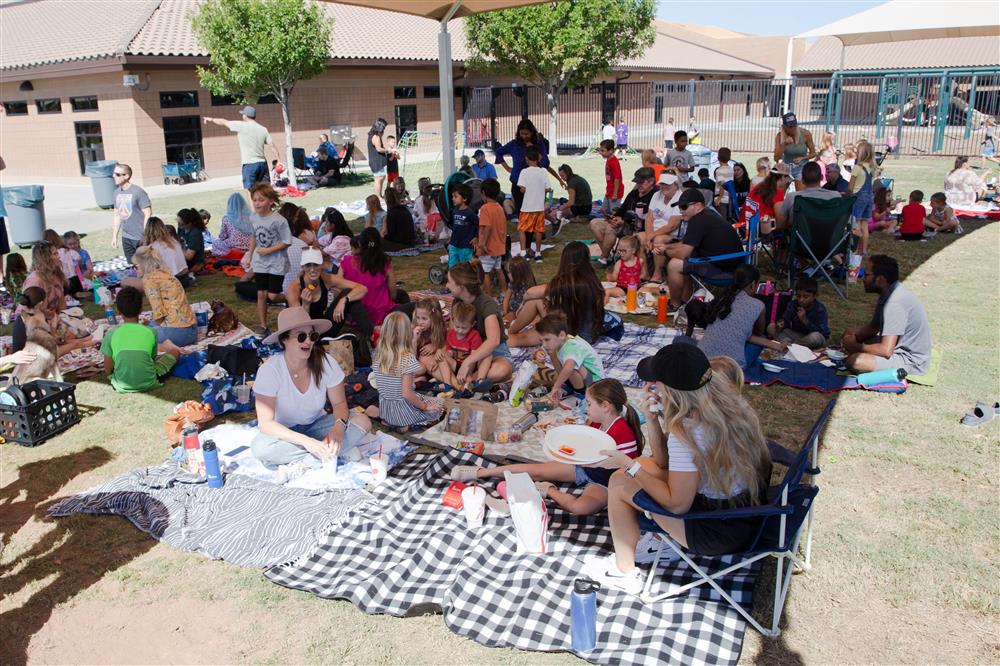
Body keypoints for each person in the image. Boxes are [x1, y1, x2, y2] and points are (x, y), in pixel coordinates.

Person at [582, 342, 771, 593]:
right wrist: (652, 419)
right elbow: (663, 463)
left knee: (619, 481)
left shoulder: (688, 430)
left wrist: (627, 465)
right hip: (744, 512)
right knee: (643, 464)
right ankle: (653, 542)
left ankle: (623, 571)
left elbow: (677, 504)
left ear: (670, 389)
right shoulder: (727, 405)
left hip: (715, 530)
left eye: (656, 382)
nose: (652, 387)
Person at [452, 378, 643, 515]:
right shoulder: (595, 423)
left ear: (606, 406)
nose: (586, 408)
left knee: (580, 508)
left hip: (605, 481)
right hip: (585, 468)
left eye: (590, 404)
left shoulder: (623, 434)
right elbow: (581, 445)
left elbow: (622, 471)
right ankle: (480, 472)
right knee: (535, 470)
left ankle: (546, 490)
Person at [251, 307, 373, 470]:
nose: (308, 341)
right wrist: (307, 442)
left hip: (317, 425)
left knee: (362, 421)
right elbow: (266, 424)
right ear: (284, 340)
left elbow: (339, 404)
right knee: (260, 448)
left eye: (312, 335)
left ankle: (308, 460)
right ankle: (335, 452)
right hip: (285, 434)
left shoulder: (325, 361)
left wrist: (338, 428)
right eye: (301, 336)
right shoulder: (270, 370)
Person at [842, 254, 932, 375]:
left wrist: (855, 347)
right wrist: (853, 337)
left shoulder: (894, 303)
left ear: (881, 280)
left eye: (867, 275)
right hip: (896, 348)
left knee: (856, 361)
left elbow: (885, 350)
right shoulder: (888, 292)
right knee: (849, 332)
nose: (862, 278)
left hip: (911, 361)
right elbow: (873, 327)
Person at [508, 241, 605, 346]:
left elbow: (530, 292)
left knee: (522, 336)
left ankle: (509, 333)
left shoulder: (567, 283)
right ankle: (510, 333)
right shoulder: (593, 280)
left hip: (572, 336)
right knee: (538, 302)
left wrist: (522, 303)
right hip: (588, 332)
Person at [663, 189, 745, 312]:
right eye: (680, 207)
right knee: (683, 262)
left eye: (684, 207)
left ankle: (675, 305)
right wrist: (665, 247)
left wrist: (664, 252)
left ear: (698, 206)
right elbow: (685, 244)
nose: (681, 210)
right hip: (731, 265)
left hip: (726, 270)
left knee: (675, 265)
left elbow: (683, 253)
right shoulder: (706, 216)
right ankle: (686, 302)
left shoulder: (698, 220)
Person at [698, 264, 787, 368]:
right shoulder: (758, 305)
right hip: (733, 367)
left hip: (703, 358)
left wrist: (776, 346)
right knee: (755, 346)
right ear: (753, 284)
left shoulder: (722, 300)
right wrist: (774, 344)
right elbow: (758, 333)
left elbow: (743, 334)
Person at [367, 312, 444, 428]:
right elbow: (407, 393)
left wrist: (414, 341)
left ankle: (387, 420)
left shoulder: (378, 354)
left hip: (386, 408)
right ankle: (404, 425)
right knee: (439, 406)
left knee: (422, 398)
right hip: (403, 410)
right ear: (406, 334)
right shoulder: (406, 359)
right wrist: (424, 406)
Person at [100, 286, 182, 393]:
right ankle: (169, 345)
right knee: (175, 351)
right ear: (141, 309)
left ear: (118, 310)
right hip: (149, 381)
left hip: (120, 383)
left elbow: (108, 368)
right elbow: (151, 360)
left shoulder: (111, 334)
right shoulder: (150, 332)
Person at [446, 262, 514, 383]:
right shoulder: (457, 302)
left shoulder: (487, 304)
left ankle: (469, 380)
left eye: (449, 282)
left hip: (492, 352)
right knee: (433, 360)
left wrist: (468, 361)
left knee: (500, 370)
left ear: (461, 286)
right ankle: (467, 379)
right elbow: (454, 333)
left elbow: (493, 341)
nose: (447, 285)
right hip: (466, 349)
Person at [286, 248, 371, 340]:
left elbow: (362, 289)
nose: (312, 270)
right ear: (303, 267)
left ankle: (373, 337)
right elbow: (299, 325)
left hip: (323, 329)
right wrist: (306, 305)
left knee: (347, 294)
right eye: (308, 266)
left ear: (322, 265)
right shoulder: (294, 288)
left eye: (316, 265)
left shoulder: (326, 279)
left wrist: (344, 300)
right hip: (303, 336)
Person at [241, 183, 290, 335]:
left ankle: (291, 298)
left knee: (273, 295)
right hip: (260, 262)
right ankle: (263, 325)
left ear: (270, 201)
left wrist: (268, 250)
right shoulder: (253, 217)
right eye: (254, 200)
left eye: (261, 200)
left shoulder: (279, 220)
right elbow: (254, 236)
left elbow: (287, 241)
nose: (257, 203)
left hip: (276, 262)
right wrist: (250, 254)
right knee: (261, 294)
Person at [531, 311, 604, 404]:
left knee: (570, 367)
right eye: (541, 341)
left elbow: (568, 368)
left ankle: (580, 394)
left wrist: (556, 386)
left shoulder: (571, 346)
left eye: (546, 340)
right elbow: (539, 350)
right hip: (583, 378)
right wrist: (538, 353)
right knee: (553, 353)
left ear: (561, 335)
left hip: (594, 382)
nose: (544, 344)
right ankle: (568, 386)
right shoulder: (560, 341)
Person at [132, 246, 198, 347]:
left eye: (135, 266)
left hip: (178, 333)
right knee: (148, 325)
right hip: (192, 330)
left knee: (138, 334)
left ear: (143, 265)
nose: (134, 270)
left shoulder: (149, 280)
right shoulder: (164, 273)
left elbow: (159, 314)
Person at [590, 166, 656, 266]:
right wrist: (614, 217)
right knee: (594, 223)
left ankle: (604, 258)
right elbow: (621, 210)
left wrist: (622, 221)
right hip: (625, 225)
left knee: (610, 228)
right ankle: (607, 255)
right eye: (637, 182)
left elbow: (647, 221)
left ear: (651, 181)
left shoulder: (654, 197)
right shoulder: (634, 194)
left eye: (641, 182)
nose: (638, 185)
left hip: (640, 229)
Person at [205, 106, 277, 190]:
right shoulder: (263, 129)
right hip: (263, 164)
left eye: (243, 114)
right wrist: (278, 161)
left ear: (245, 116)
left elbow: (224, 122)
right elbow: (272, 146)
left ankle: (252, 203)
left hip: (249, 165)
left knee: (250, 191)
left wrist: (211, 119)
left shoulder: (241, 125)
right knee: (265, 190)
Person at [10, 286, 93, 358]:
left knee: (66, 342)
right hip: (34, 356)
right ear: (41, 303)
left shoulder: (24, 316)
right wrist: (54, 325)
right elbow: (50, 343)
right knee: (73, 345)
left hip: (31, 351)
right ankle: (96, 341)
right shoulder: (35, 319)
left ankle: (88, 339)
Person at [339, 228, 399, 326]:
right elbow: (393, 295)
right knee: (403, 296)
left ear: (360, 245)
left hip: (355, 315)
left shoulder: (346, 261)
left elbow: (338, 288)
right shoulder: (384, 262)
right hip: (380, 315)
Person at [495, 119, 550, 216]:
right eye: (522, 133)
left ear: (532, 133)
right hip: (518, 183)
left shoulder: (539, 144)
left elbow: (546, 163)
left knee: (534, 210)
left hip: (535, 183)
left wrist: (535, 151)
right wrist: (507, 168)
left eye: (527, 134)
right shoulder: (514, 144)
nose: (524, 136)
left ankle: (534, 228)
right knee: (522, 210)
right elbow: (499, 152)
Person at [766, 276, 829, 350]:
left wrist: (805, 320)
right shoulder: (793, 304)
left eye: (805, 297)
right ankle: (792, 345)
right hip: (796, 335)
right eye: (798, 296)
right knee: (771, 327)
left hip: (810, 336)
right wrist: (781, 324)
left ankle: (790, 345)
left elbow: (823, 333)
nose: (801, 300)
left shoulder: (820, 309)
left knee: (815, 337)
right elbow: (785, 319)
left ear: (815, 296)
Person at [775, 162, 842, 231]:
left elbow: (780, 224)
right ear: (821, 177)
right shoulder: (836, 196)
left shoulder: (792, 197)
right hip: (830, 239)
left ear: (802, 180)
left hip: (800, 240)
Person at [111, 163, 151, 264]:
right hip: (126, 237)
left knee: (146, 266)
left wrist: (145, 235)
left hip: (140, 237)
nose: (113, 176)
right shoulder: (116, 193)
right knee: (133, 266)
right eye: (114, 173)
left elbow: (148, 214)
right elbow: (117, 215)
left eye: (117, 174)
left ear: (126, 176)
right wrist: (114, 236)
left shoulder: (138, 192)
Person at [444, 301, 491, 385]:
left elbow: (473, 358)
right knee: (440, 354)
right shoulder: (450, 334)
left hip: (469, 367)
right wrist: (446, 354)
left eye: (464, 328)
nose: (460, 331)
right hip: (456, 366)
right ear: (453, 320)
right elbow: (449, 353)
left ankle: (479, 380)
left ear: (472, 324)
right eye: (457, 326)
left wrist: (468, 373)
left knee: (488, 355)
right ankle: (448, 381)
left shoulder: (474, 335)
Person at [517, 146, 549, 262]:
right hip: (539, 207)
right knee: (539, 230)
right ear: (538, 158)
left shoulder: (524, 172)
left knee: (522, 229)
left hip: (527, 207)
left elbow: (522, 188)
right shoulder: (543, 171)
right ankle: (538, 253)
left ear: (526, 158)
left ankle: (523, 252)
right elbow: (548, 188)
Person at [477, 178, 508, 295]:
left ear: (483, 193)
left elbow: (487, 226)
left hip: (488, 247)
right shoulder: (499, 207)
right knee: (499, 269)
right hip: (498, 246)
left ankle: (489, 297)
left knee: (485, 273)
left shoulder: (485, 208)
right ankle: (504, 292)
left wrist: (482, 243)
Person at [848, 140, 879, 255]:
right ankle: (864, 249)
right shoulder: (872, 168)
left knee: (856, 224)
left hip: (858, 197)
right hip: (869, 197)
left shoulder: (857, 167)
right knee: (864, 224)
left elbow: (851, 187)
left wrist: (846, 195)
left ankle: (855, 249)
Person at [410, 298, 451, 384]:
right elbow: (410, 358)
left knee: (424, 377)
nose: (420, 322)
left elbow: (445, 345)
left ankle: (449, 384)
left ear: (434, 318)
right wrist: (414, 340)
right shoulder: (412, 330)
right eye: (418, 318)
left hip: (425, 363)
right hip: (410, 362)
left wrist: (434, 346)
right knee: (422, 368)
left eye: (424, 319)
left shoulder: (439, 329)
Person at [142, 216, 189, 286]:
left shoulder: (152, 247)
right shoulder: (173, 241)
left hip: (171, 281)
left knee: (126, 281)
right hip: (185, 278)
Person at [24, 241, 65, 318]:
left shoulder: (56, 274)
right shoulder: (34, 280)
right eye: (55, 254)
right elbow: (30, 312)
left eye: (57, 253)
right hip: (34, 323)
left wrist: (65, 318)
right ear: (45, 258)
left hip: (52, 319)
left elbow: (62, 303)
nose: (59, 257)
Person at [773, 112, 816, 187]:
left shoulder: (806, 134)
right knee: (779, 192)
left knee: (800, 193)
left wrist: (803, 158)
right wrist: (784, 145)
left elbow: (813, 153)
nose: (792, 128)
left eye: (794, 125)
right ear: (784, 127)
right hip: (786, 166)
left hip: (801, 166)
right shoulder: (779, 136)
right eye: (790, 126)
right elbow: (776, 157)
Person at [212, 192, 254, 257]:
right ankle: (242, 253)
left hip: (234, 246)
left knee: (216, 242)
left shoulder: (226, 219)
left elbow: (222, 236)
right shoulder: (252, 216)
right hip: (251, 245)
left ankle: (234, 253)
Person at [447, 183, 478, 267]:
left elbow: (479, 226)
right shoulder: (454, 211)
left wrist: (476, 237)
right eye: (452, 196)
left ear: (464, 198)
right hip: (454, 245)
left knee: (465, 267)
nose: (453, 199)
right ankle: (452, 279)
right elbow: (456, 227)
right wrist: (452, 238)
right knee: (452, 266)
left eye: (455, 197)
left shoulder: (470, 213)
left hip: (466, 247)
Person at [605, 235, 642, 302]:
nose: (621, 253)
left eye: (624, 251)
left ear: (633, 251)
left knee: (652, 289)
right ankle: (602, 309)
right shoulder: (619, 263)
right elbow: (614, 277)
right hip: (622, 289)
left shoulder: (640, 261)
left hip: (636, 288)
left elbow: (643, 275)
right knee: (606, 291)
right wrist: (611, 277)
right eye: (619, 251)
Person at [382, 187, 417, 252]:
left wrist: (383, 236)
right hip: (410, 242)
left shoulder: (392, 213)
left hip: (402, 245)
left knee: (374, 242)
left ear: (387, 199)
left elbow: (391, 235)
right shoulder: (404, 209)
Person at [502, 255, 536, 322]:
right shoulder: (512, 283)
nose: (507, 275)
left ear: (518, 273)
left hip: (527, 313)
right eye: (507, 272)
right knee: (504, 322)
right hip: (513, 310)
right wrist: (505, 312)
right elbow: (506, 298)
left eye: (509, 272)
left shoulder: (530, 286)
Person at [176, 208, 206, 274]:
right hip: (184, 259)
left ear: (189, 223)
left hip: (194, 263)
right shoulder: (181, 228)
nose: (178, 225)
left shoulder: (195, 233)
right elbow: (179, 241)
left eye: (181, 223)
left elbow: (189, 256)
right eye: (177, 222)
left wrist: (175, 247)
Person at [599, 139, 624, 216]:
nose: (601, 153)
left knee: (615, 213)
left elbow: (617, 178)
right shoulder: (609, 160)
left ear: (610, 151)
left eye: (603, 151)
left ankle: (616, 226)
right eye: (600, 150)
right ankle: (608, 222)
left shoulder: (614, 162)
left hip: (615, 192)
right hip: (609, 190)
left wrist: (615, 194)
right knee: (603, 209)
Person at [367, 117, 390, 198]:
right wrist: (388, 150)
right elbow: (379, 149)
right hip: (377, 161)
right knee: (378, 178)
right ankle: (377, 197)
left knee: (381, 177)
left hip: (377, 160)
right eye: (383, 127)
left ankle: (379, 195)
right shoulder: (375, 136)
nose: (384, 129)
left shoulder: (372, 135)